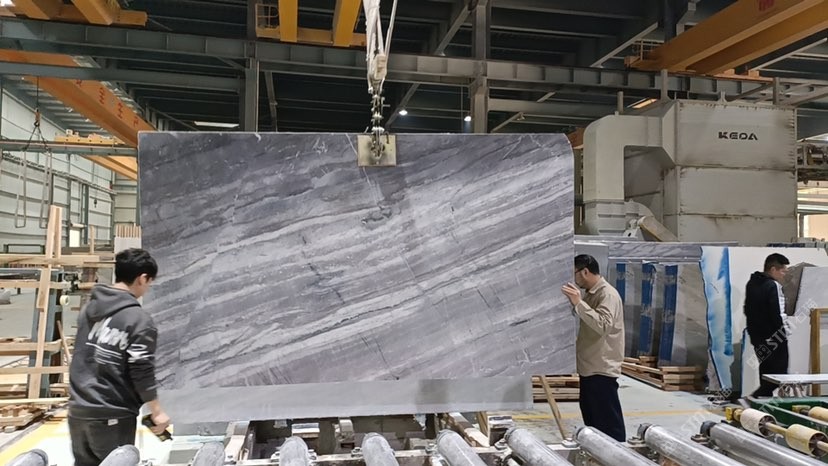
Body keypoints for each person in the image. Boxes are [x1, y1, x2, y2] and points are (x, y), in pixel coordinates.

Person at [68, 248, 170, 466]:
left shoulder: (89, 309)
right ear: (142, 278)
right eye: (149, 283)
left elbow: (81, 356)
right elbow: (141, 369)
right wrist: (157, 412)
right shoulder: (138, 320)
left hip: (78, 412)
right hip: (111, 414)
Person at [561, 254, 626, 441]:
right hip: (589, 368)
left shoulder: (607, 294)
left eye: (575, 273)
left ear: (585, 272)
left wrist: (578, 303)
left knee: (608, 424)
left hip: (601, 369)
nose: (574, 279)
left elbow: (603, 325)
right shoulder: (591, 294)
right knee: (593, 420)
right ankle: (598, 451)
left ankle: (618, 454)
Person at [744, 253, 790, 398]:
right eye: (782, 271)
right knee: (779, 374)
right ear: (773, 269)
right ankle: (755, 397)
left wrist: (754, 335)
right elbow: (777, 313)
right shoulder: (773, 286)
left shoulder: (752, 283)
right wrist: (783, 333)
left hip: (758, 337)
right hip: (774, 337)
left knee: (766, 373)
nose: (784, 275)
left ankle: (762, 401)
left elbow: (747, 310)